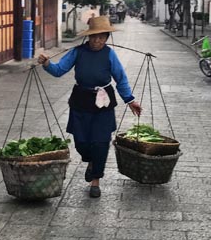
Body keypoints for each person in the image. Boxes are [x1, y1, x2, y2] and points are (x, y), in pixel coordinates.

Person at [38, 16, 143, 198]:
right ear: (88, 37)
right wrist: (47, 63)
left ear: (106, 38)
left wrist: (130, 100)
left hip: (104, 103)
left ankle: (96, 180)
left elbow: (121, 78)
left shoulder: (109, 54)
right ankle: (91, 161)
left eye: (101, 37)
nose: (97, 41)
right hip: (81, 100)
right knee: (81, 142)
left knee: (101, 142)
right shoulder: (77, 52)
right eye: (94, 37)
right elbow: (59, 70)